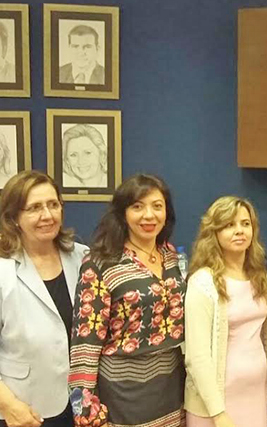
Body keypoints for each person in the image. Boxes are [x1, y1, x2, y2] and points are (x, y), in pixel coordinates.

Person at [68, 174, 186, 427]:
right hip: (122, 393)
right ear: (122, 213)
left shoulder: (171, 256)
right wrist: (85, 410)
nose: (149, 215)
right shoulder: (101, 262)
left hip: (171, 387)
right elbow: (84, 343)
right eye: (137, 207)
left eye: (157, 206)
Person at [0, 171, 87, 427]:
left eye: (53, 204)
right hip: (20, 412)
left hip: (75, 405)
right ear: (13, 217)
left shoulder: (83, 258)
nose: (47, 215)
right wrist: (10, 407)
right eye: (34, 208)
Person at [184, 196, 267, 427]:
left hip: (255, 396)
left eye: (245, 223)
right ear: (214, 232)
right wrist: (218, 413)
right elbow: (197, 357)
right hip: (215, 405)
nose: (239, 231)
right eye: (229, 225)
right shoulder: (202, 282)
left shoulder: (259, 277)